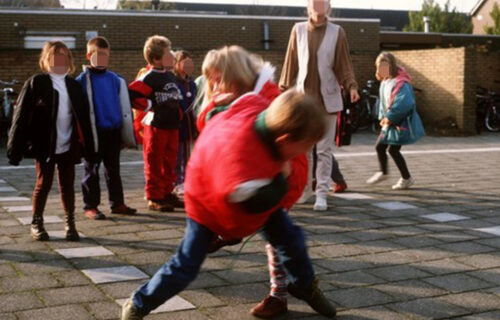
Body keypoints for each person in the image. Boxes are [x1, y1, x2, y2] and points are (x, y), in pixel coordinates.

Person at [121, 85, 337, 319]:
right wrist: (281, 180)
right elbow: (248, 200)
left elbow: (245, 100)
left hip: (245, 188)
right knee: (186, 264)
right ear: (285, 140)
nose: (305, 153)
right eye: (305, 148)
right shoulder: (244, 156)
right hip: (207, 203)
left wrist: (223, 103)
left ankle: (304, 285)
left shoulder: (260, 115)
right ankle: (138, 303)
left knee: (291, 238)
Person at [7, 40, 95, 241]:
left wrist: (90, 148)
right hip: (44, 144)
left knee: (67, 184)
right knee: (43, 183)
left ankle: (70, 223)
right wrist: (15, 148)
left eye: (64, 56)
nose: (59, 61)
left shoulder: (73, 86)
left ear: (70, 61)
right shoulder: (37, 83)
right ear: (46, 60)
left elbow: (84, 119)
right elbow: (20, 117)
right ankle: (37, 221)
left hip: (68, 144)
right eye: (55, 56)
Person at [279, 0, 360, 211]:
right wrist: (282, 90)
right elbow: (290, 63)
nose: (318, 5)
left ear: (328, 7)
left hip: (328, 100)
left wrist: (351, 86)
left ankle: (322, 193)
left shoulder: (337, 32)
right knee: (303, 151)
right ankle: (304, 191)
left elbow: (344, 64)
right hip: (303, 102)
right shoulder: (297, 30)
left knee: (324, 151)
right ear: (308, 7)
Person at [76, 36, 137, 220]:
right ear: (88, 55)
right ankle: (91, 205)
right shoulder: (81, 80)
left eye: (105, 55)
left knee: (113, 170)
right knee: (91, 170)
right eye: (98, 55)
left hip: (113, 132)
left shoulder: (115, 79)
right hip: (94, 133)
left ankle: (117, 203)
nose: (102, 59)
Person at [128, 35, 184, 212]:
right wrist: (150, 106)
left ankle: (167, 192)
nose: (172, 58)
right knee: (155, 161)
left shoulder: (170, 75)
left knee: (170, 161)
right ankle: (154, 196)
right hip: (157, 126)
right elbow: (133, 95)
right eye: (168, 55)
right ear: (155, 59)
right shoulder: (150, 77)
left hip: (172, 126)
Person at [366, 52, 424, 189]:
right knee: (385, 148)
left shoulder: (401, 83)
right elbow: (384, 102)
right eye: (379, 66)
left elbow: (404, 103)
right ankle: (399, 176)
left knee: (389, 148)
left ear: (391, 66)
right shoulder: (385, 81)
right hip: (390, 123)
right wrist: (382, 117)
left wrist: (389, 118)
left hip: (399, 122)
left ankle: (398, 176)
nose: (382, 69)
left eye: (384, 65)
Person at [173, 50, 197, 195]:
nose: (188, 65)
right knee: (177, 155)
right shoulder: (174, 82)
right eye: (184, 61)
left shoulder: (192, 84)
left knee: (188, 155)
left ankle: (188, 181)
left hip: (189, 125)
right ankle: (176, 181)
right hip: (178, 124)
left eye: (190, 61)